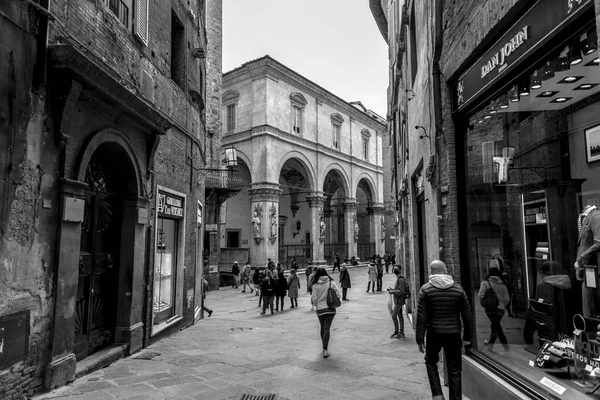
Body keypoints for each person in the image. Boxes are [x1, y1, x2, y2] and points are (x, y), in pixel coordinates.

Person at [416, 260, 472, 400]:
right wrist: (467, 337)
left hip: (434, 333)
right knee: (455, 369)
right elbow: (467, 315)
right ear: (445, 270)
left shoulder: (426, 289)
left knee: (430, 362)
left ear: (431, 272)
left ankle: (437, 395)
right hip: (453, 334)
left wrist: (419, 339)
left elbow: (421, 317)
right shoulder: (458, 289)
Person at [478, 264, 511, 355]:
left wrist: (484, 304)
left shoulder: (485, 283)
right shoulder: (503, 283)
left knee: (497, 328)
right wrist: (502, 305)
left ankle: (507, 349)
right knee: (495, 326)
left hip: (490, 309)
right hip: (500, 309)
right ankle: (490, 345)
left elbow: (481, 295)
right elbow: (507, 298)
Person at [310, 267, 342, 358]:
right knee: (327, 328)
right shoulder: (331, 282)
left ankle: (323, 346)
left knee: (322, 327)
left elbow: (314, 298)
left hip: (320, 308)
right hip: (330, 307)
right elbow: (338, 294)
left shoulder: (315, 284)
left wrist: (317, 305)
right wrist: (335, 301)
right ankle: (325, 349)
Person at [387, 264, 409, 338]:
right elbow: (399, 290)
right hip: (398, 300)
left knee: (393, 316)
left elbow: (401, 291)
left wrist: (392, 292)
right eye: (394, 269)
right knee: (400, 316)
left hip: (399, 301)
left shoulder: (401, 279)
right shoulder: (399, 278)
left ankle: (397, 332)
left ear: (400, 270)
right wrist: (392, 290)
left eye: (396, 269)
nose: (395, 270)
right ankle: (401, 332)